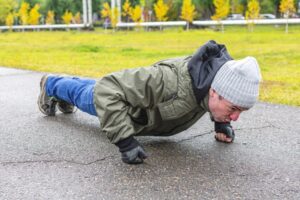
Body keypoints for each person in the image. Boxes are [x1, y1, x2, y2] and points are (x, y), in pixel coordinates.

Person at [38, 40, 262, 164]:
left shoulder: (214, 83)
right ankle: (51, 84)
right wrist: (125, 142)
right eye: (233, 110)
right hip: (121, 109)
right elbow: (108, 90)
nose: (235, 117)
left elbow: (215, 103)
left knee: (92, 87)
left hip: (134, 100)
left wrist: (221, 121)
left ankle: (61, 88)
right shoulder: (168, 81)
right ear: (215, 92)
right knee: (88, 93)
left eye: (240, 111)